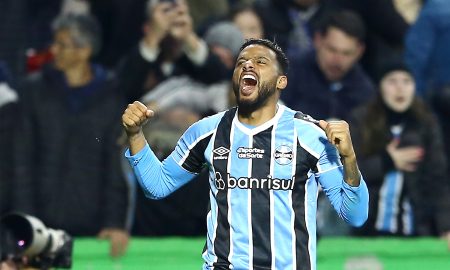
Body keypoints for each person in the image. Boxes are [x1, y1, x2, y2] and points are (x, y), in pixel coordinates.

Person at [122, 38, 369, 269]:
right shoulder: (207, 132)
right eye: (241, 62)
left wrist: (350, 159)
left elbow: (354, 215)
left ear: (281, 81)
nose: (248, 65)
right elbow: (157, 185)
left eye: (261, 62)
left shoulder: (310, 136)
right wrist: (135, 135)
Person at [12, 14, 130, 258]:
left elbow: (116, 167)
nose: (53, 50)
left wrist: (115, 222)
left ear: (84, 50)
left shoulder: (111, 98)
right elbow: (21, 162)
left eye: (61, 44)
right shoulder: (32, 93)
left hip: (92, 226)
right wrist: (26, 224)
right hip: (41, 222)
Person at [348, 62, 450, 243]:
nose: (400, 88)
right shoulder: (360, 120)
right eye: (392, 81)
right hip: (367, 232)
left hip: (416, 232)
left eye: (407, 81)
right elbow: (346, 174)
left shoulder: (426, 123)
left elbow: (438, 180)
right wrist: (387, 161)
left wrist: (446, 227)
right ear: (380, 87)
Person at [280, 9, 375, 121]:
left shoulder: (365, 91)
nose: (337, 60)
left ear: (359, 52)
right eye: (332, 50)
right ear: (318, 40)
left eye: (346, 53)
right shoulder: (289, 72)